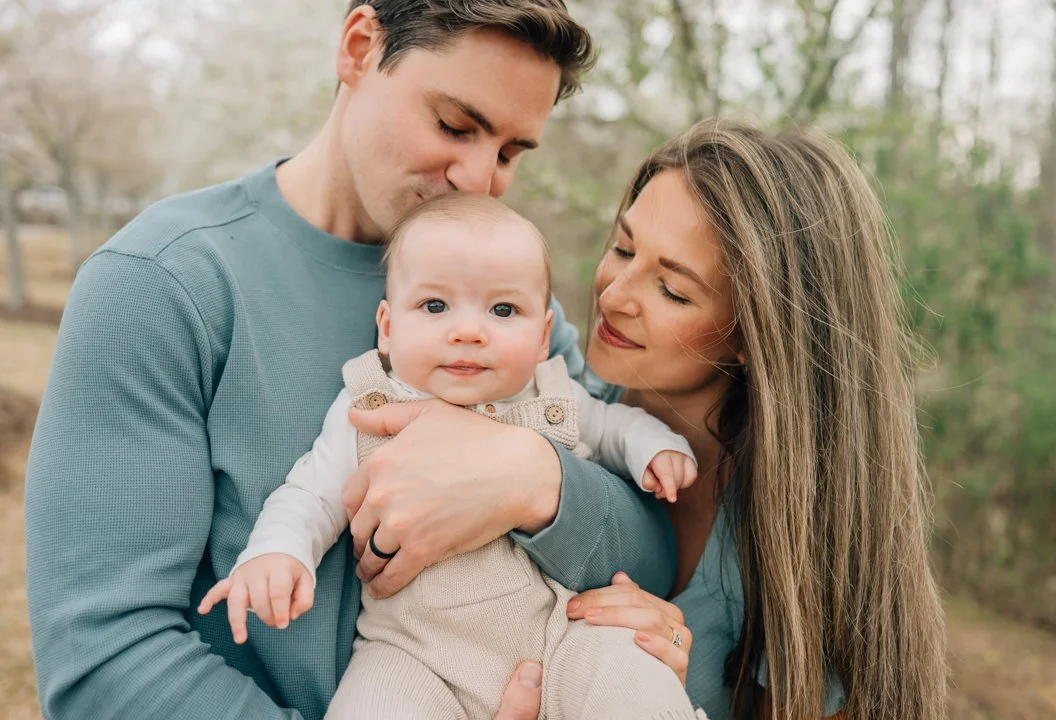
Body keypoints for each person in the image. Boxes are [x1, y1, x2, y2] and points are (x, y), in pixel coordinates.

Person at [25, 3, 677, 719]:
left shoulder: (504, 305)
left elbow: (649, 551)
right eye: (455, 126)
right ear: (360, 47)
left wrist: (537, 482)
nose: (478, 178)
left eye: (510, 153)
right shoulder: (162, 283)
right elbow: (105, 662)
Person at [357, 119, 950, 719]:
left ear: (756, 334)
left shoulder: (799, 540)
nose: (614, 295)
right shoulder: (558, 404)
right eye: (622, 248)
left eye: (672, 289)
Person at [201, 193, 700, 719]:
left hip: (560, 637)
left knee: (633, 672)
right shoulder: (370, 405)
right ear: (388, 327)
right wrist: (278, 552)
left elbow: (614, 425)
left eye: (503, 310)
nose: (468, 331)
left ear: (541, 338)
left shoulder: (550, 395)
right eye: (435, 306)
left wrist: (655, 447)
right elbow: (311, 493)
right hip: (413, 657)